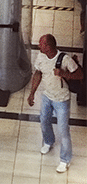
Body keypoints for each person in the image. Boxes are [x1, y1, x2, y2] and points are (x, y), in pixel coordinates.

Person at [27, 34, 83, 173]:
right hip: (47, 96)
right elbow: (38, 74)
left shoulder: (65, 59)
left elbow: (80, 75)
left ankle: (65, 159)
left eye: (41, 44)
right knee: (44, 121)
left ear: (48, 46)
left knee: (63, 130)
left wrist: (65, 74)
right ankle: (48, 141)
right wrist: (32, 92)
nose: (39, 46)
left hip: (61, 100)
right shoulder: (41, 57)